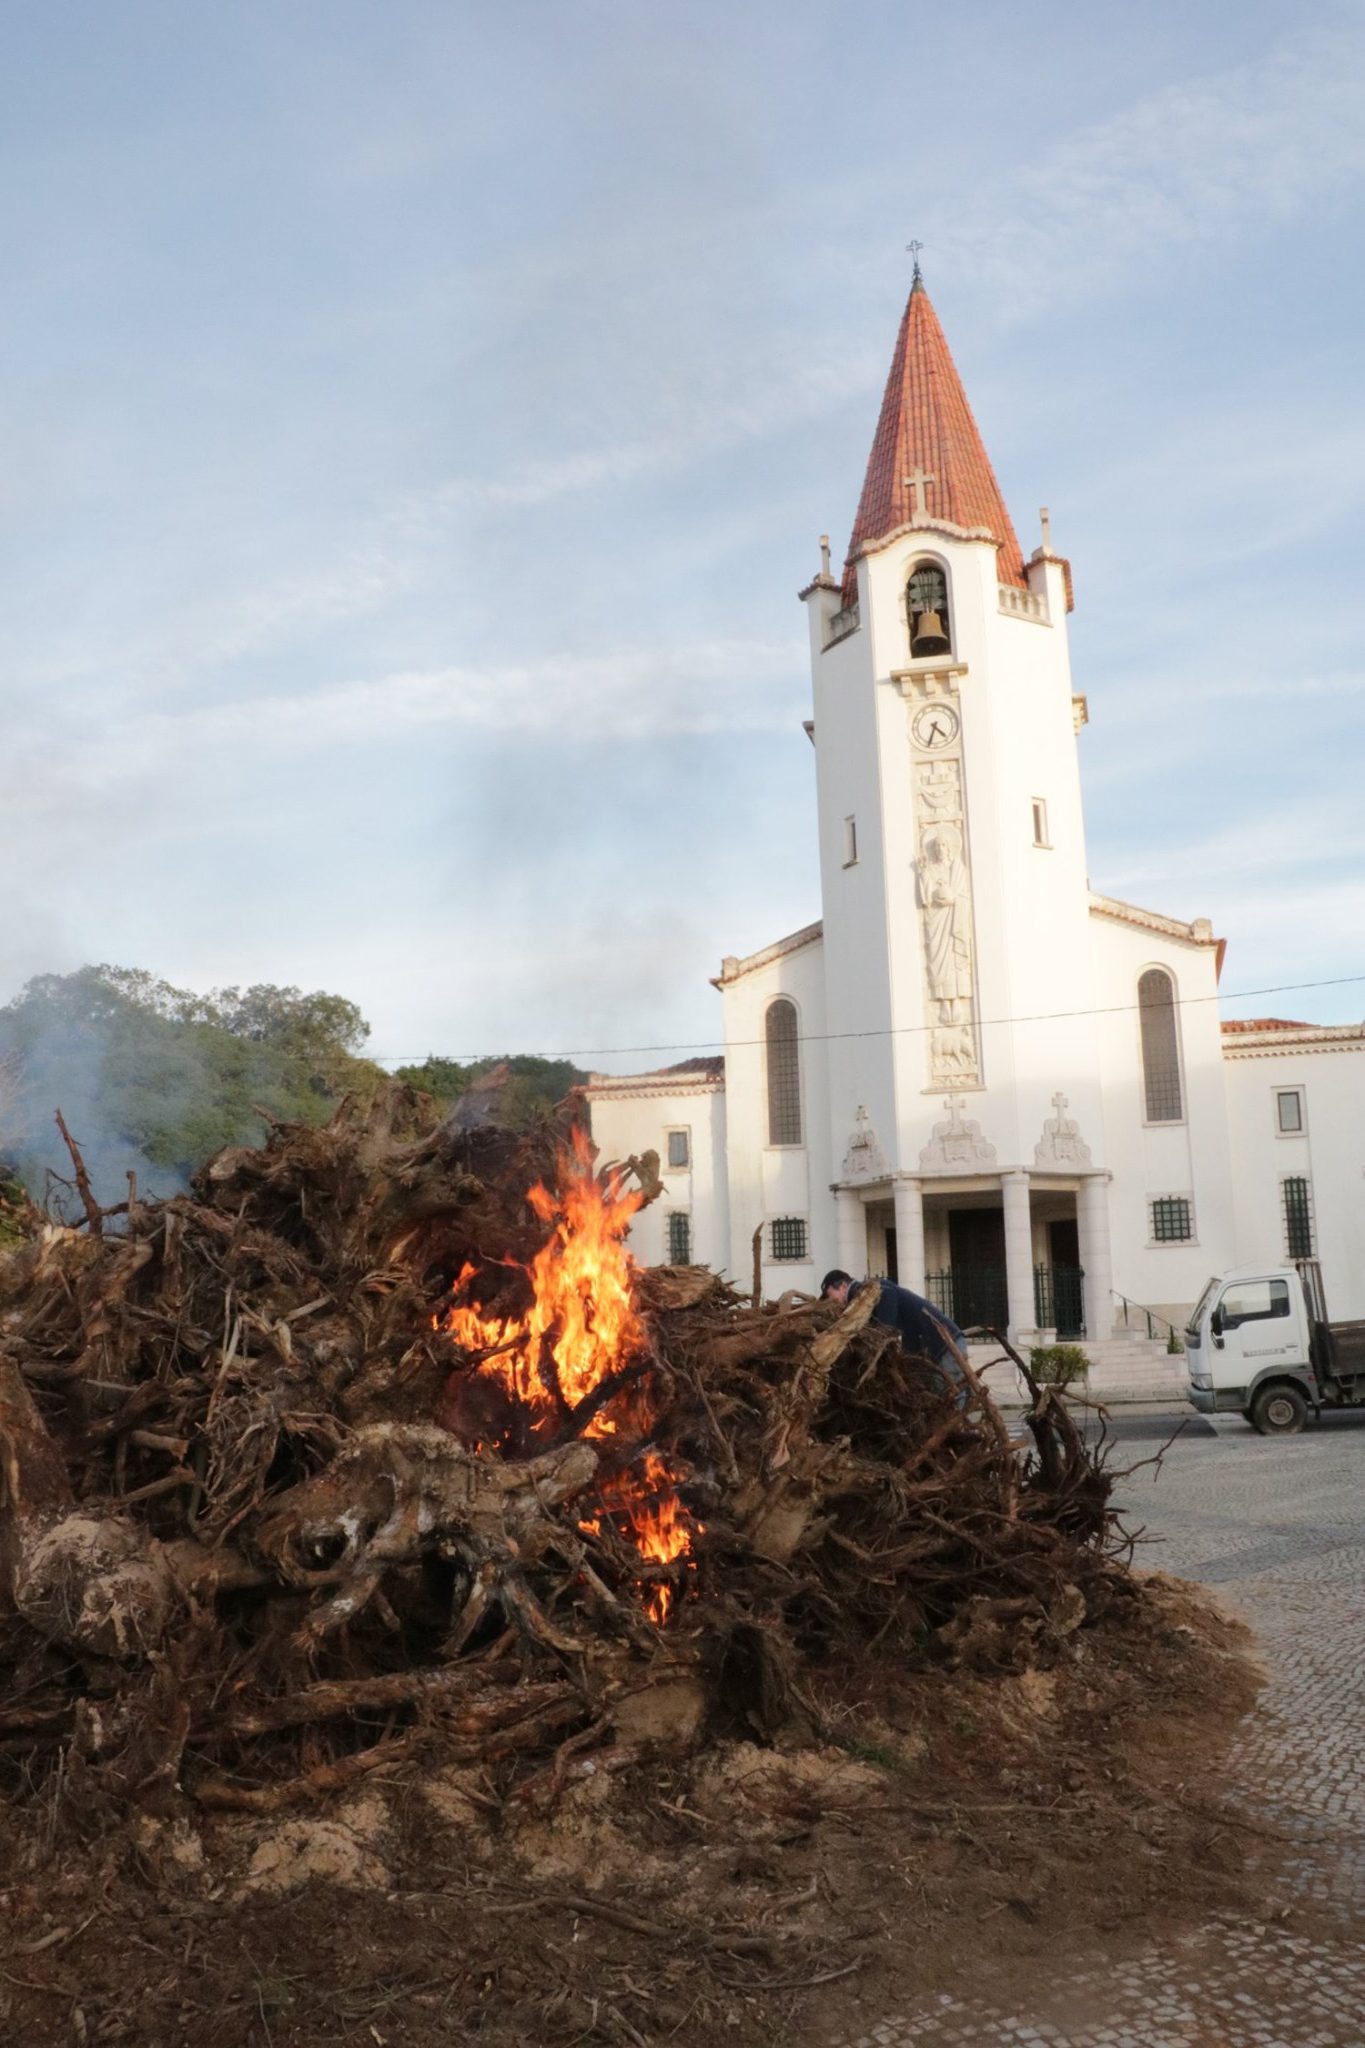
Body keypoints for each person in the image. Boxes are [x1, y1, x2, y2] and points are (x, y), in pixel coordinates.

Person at [820, 1268, 969, 1402]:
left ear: (843, 1286)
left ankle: (960, 1429)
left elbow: (886, 1329)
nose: (831, 1303)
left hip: (945, 1345)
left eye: (830, 1296)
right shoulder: (862, 1298)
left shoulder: (875, 1289)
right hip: (935, 1347)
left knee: (949, 1395)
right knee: (935, 1394)